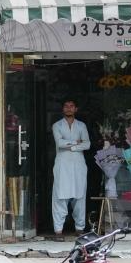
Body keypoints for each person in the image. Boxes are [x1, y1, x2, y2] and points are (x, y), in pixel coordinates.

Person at [51, 99, 91, 240]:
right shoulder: (57, 125)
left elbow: (87, 144)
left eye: (71, 106)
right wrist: (76, 142)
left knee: (79, 197)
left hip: (78, 165)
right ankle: (58, 231)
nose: (69, 108)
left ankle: (79, 229)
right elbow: (59, 143)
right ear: (63, 109)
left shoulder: (81, 126)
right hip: (62, 165)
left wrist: (71, 147)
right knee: (60, 196)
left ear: (76, 109)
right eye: (66, 106)